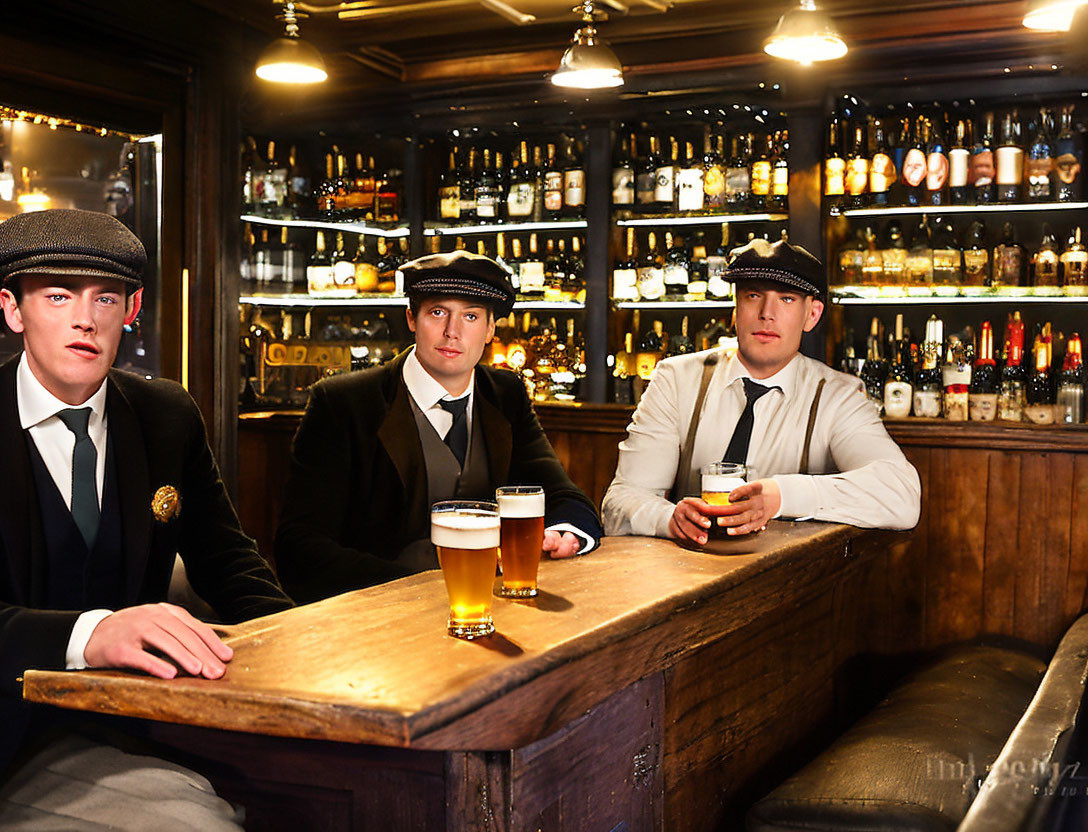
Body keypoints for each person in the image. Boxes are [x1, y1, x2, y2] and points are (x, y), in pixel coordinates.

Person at [0, 208, 293, 829]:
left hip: (138, 723)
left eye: (105, 298)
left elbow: (229, 563)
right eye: (58, 295)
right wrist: (91, 634)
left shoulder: (166, 414)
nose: (86, 318)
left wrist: (300, 645)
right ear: (13, 309)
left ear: (129, 312)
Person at [276, 250, 603, 603]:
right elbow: (300, 548)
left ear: (491, 329)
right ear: (411, 319)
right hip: (375, 620)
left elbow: (565, 498)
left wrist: (563, 533)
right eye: (437, 313)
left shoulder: (505, 395)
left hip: (489, 610)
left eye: (471, 316)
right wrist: (417, 589)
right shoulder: (343, 403)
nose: (453, 332)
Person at [602, 237, 921, 544]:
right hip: (683, 573)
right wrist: (668, 519)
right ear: (735, 310)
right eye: (753, 295)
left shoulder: (838, 396)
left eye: (786, 299)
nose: (767, 313)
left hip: (787, 585)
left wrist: (781, 496)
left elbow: (902, 497)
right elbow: (620, 501)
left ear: (812, 315)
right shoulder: (676, 378)